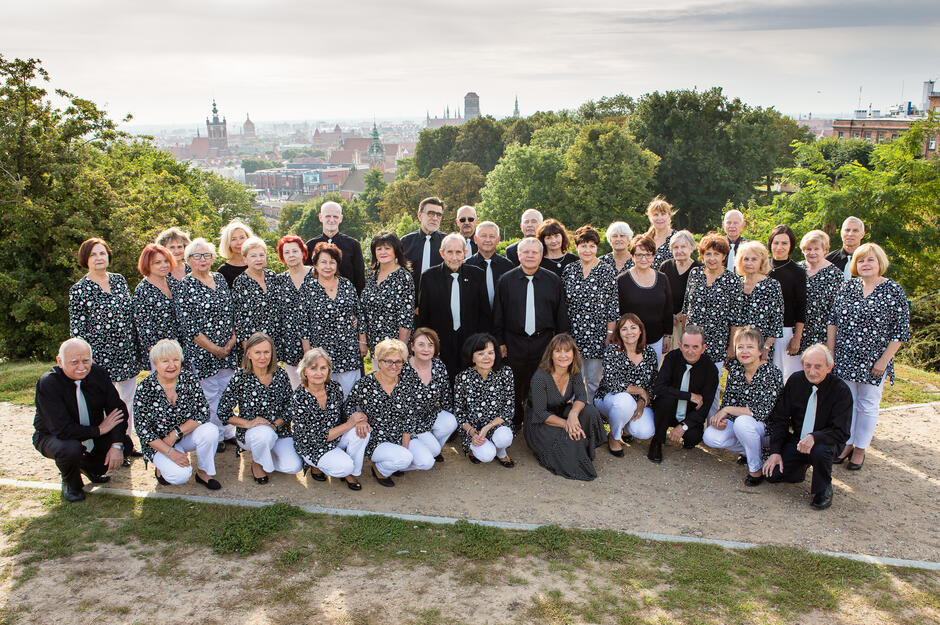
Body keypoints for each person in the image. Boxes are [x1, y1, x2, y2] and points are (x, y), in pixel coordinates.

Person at [827, 243, 910, 470]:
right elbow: (833, 322)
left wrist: (884, 360)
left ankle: (861, 448)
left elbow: (900, 331)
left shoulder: (893, 290)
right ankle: (848, 443)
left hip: (874, 360)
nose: (865, 264)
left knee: (868, 404)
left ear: (879, 263)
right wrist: (831, 352)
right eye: (861, 260)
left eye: (870, 260)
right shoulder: (847, 287)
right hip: (845, 356)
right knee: (847, 403)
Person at [69, 237, 139, 458]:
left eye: (102, 253)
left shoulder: (119, 281)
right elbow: (77, 331)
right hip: (99, 357)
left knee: (126, 401)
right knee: (102, 405)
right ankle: (106, 448)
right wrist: (85, 361)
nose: (98, 258)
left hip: (126, 352)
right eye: (93, 255)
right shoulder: (79, 290)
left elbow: (130, 317)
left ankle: (125, 444)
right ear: (85, 259)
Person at [33, 338, 128, 502]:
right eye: (74, 362)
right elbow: (62, 430)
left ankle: (88, 467)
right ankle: (71, 482)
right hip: (53, 437)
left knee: (124, 444)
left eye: (86, 360)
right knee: (70, 449)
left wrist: (117, 445)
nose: (82, 367)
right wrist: (99, 430)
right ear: (60, 361)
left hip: (91, 431)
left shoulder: (99, 374)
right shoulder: (48, 383)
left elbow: (118, 410)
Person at [763, 344, 852, 510]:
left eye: (818, 366)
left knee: (819, 451)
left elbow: (842, 432)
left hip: (826, 443)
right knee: (773, 475)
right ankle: (800, 467)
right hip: (798, 439)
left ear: (829, 367)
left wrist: (815, 437)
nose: (812, 371)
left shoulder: (841, 391)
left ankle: (823, 488)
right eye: (807, 366)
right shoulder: (795, 381)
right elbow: (780, 417)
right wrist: (775, 451)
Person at [492, 237, 569, 426]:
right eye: (525, 252)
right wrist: (500, 342)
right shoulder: (506, 280)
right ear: (518, 254)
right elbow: (498, 314)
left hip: (544, 342)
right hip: (513, 342)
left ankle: (539, 419)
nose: (530, 256)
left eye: (534, 252)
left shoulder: (553, 281)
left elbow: (560, 314)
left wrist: (561, 344)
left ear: (541, 255)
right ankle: (516, 419)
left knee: (541, 383)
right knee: (514, 384)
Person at [343, 339, 434, 486]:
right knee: (404, 458)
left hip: (401, 434)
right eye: (388, 361)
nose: (394, 366)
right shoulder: (365, 384)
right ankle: (379, 469)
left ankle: (387, 466)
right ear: (379, 361)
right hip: (377, 438)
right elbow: (349, 406)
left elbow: (409, 418)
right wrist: (360, 420)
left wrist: (404, 448)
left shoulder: (406, 385)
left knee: (427, 462)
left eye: (398, 362)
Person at [133, 339, 222, 489]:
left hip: (183, 436)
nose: (172, 365)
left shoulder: (189, 379)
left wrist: (176, 433)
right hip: (160, 443)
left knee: (210, 431)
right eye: (165, 361)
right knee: (180, 476)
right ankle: (160, 470)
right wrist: (170, 452)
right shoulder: (145, 388)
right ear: (155, 364)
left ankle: (203, 473)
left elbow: (203, 412)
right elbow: (144, 431)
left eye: (175, 360)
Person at [176, 238, 239, 445]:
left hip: (227, 349)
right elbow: (189, 327)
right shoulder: (185, 286)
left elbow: (231, 311)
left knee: (227, 391)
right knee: (209, 395)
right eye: (196, 256)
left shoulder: (220, 279)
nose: (202, 260)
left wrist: (231, 342)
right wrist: (214, 349)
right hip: (203, 352)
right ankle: (215, 436)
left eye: (206, 255)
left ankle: (227, 431)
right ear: (188, 260)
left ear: (212, 258)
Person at [702, 328, 784, 485]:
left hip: (767, 429)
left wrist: (727, 410)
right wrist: (722, 418)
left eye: (750, 347)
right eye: (740, 347)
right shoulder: (736, 370)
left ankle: (755, 470)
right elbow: (728, 402)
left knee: (742, 423)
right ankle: (756, 452)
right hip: (745, 427)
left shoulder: (771, 372)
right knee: (710, 437)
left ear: (760, 350)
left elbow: (761, 411)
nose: (744, 351)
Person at [218, 333, 302, 484]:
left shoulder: (280, 374)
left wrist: (276, 424)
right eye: (257, 352)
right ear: (249, 354)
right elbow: (223, 412)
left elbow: (290, 406)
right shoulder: (240, 377)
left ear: (272, 353)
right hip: (253, 433)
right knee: (264, 435)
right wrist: (248, 423)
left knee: (293, 467)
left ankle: (265, 456)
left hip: (279, 430)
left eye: (266, 352)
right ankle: (257, 463)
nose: (262, 357)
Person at [525, 334, 606, 480]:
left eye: (567, 351)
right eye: (558, 351)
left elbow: (581, 396)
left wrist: (573, 414)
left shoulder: (574, 370)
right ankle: (569, 449)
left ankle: (583, 449)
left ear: (573, 354)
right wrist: (567, 424)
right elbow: (541, 413)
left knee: (590, 412)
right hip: (540, 421)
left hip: (562, 411)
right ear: (551, 354)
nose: (563, 356)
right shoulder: (540, 377)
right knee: (570, 438)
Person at [682, 232, 743, 415]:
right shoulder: (695, 274)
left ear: (724, 256)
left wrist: (732, 346)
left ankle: (711, 423)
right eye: (708, 253)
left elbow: (736, 317)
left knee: (712, 385)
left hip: (717, 341)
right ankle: (690, 423)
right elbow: (686, 307)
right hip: (692, 341)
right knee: (690, 382)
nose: (712, 258)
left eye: (716, 254)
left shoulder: (732, 280)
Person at [290, 348, 366, 490]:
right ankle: (317, 465)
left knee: (364, 431)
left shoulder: (334, 387)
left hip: (335, 435)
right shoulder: (299, 398)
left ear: (329, 370)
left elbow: (344, 411)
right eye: (313, 368)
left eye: (323, 368)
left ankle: (350, 471)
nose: (319, 373)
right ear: (305, 371)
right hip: (313, 446)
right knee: (344, 466)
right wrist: (350, 423)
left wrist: (359, 419)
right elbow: (318, 437)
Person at [417, 233, 491, 380]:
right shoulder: (429, 277)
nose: (454, 257)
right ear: (441, 253)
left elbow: (484, 313)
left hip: (470, 342)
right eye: (449, 252)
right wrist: (428, 343)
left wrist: (482, 342)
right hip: (440, 343)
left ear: (465, 253)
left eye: (458, 252)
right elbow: (424, 316)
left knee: (469, 382)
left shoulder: (477, 275)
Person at [562, 225, 619, 401]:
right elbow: (563, 303)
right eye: (583, 245)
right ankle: (572, 417)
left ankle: (591, 417)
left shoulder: (607, 270)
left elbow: (612, 305)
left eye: (592, 246)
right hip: (574, 334)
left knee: (593, 380)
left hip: (598, 334)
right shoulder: (569, 270)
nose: (587, 250)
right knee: (573, 378)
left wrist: (610, 333)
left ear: (597, 247)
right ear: (576, 246)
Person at [647, 325, 719, 463]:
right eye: (686, 346)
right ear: (680, 345)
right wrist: (689, 395)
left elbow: (705, 407)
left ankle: (685, 434)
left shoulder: (710, 370)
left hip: (690, 415)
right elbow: (658, 388)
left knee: (693, 437)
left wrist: (684, 426)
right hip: (668, 411)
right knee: (665, 400)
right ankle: (657, 441)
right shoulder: (671, 358)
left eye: (695, 347)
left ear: (703, 348)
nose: (690, 351)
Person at [594, 314, 658, 455]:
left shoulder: (650, 353)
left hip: (636, 403)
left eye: (633, 328)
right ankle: (614, 436)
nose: (629, 332)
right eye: (624, 329)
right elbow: (614, 384)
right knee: (624, 401)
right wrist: (640, 390)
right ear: (619, 333)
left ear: (640, 330)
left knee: (645, 431)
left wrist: (642, 402)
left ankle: (626, 428)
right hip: (610, 399)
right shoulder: (612, 351)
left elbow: (653, 384)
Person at [307, 242, 363, 397]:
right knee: (325, 395)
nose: (328, 266)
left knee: (350, 394)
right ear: (316, 264)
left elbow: (359, 314)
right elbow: (302, 324)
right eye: (323, 262)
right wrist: (307, 353)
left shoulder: (346, 285)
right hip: (321, 352)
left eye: (332, 262)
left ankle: (352, 421)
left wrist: (362, 341)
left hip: (348, 350)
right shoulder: (308, 288)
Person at [454, 333, 516, 466]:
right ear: (472, 356)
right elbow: (459, 412)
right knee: (487, 455)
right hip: (473, 429)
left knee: (504, 438)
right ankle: (474, 449)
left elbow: (509, 409)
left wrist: (488, 427)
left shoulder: (505, 373)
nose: (487, 357)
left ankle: (501, 452)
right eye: (481, 353)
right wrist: (472, 433)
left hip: (497, 425)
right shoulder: (462, 378)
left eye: (490, 352)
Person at [617, 235, 673, 363]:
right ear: (632, 256)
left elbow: (668, 309)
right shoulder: (622, 280)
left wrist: (667, 335)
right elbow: (617, 312)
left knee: (653, 378)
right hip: (629, 341)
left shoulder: (662, 278)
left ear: (653, 256)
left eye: (648, 254)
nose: (644, 259)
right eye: (639, 255)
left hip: (656, 339)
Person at [407, 328, 459, 463]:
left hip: (428, 415)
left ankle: (431, 447)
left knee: (450, 421)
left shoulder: (438, 366)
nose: (426, 349)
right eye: (421, 344)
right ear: (412, 346)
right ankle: (408, 455)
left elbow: (446, 396)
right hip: (407, 420)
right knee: (431, 453)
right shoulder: (402, 367)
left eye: (430, 345)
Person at [359, 231, 414, 354]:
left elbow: (405, 318)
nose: (383, 252)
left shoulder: (403, 277)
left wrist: (400, 349)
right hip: (375, 346)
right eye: (379, 249)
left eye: (387, 248)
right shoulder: (372, 275)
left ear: (396, 251)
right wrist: (363, 340)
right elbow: (363, 309)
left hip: (394, 347)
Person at [733, 241, 783, 364]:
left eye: (754, 259)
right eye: (746, 259)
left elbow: (777, 320)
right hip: (739, 347)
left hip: (761, 347)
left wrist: (766, 347)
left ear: (762, 262)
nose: (749, 263)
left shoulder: (772, 285)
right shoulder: (735, 284)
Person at [275, 235, 315, 389]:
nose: (291, 255)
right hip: (290, 341)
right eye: (287, 252)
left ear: (302, 252)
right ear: (282, 256)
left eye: (294, 251)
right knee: (297, 386)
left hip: (317, 338)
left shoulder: (316, 275)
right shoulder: (279, 281)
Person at [767, 225, 807, 380]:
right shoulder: (763, 267)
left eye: (784, 243)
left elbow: (801, 307)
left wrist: (797, 337)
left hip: (785, 331)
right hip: (762, 331)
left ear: (791, 246)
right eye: (776, 243)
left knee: (786, 377)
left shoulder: (797, 272)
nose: (779, 247)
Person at [133, 243, 180, 370]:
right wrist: (160, 355)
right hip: (159, 354)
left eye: (166, 261)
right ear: (147, 264)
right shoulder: (142, 291)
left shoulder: (173, 283)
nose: (164, 265)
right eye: (157, 262)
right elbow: (144, 328)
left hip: (180, 349)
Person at [798, 230, 846, 354]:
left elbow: (836, 311)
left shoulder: (835, 275)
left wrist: (830, 342)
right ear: (803, 250)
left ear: (825, 250)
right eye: (808, 249)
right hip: (795, 334)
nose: (812, 252)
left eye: (816, 249)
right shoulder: (796, 270)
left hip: (821, 334)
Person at [304, 200, 366, 293]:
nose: (332, 220)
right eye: (328, 216)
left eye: (335, 217)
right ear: (321, 217)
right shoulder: (310, 246)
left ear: (340, 218)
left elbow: (359, 279)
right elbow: (306, 278)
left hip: (347, 300)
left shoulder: (353, 245)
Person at [231, 236, 281, 351]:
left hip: (274, 340)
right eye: (253, 256)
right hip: (254, 343)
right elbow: (240, 320)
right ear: (245, 259)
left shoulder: (271, 276)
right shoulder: (240, 282)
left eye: (261, 255)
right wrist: (247, 349)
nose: (258, 259)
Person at [658, 230, 702, 348]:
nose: (679, 251)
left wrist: (681, 314)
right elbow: (659, 294)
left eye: (683, 246)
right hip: (666, 322)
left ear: (691, 248)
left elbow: (700, 298)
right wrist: (669, 315)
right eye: (676, 247)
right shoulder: (665, 266)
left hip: (688, 322)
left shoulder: (699, 269)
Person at [465, 220, 513, 311]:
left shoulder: (508, 266)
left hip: (502, 321)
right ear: (475, 239)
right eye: (483, 236)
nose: (487, 240)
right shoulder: (465, 266)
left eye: (492, 236)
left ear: (498, 240)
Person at [400, 196, 445, 290]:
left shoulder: (447, 242)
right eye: (431, 213)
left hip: (439, 299)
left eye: (439, 215)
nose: (435, 218)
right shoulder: (405, 242)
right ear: (420, 215)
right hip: (410, 298)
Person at [217, 219, 254, 288]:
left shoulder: (256, 264)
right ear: (228, 243)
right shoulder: (223, 272)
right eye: (233, 239)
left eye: (242, 237)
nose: (239, 242)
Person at [644, 196, 677, 269]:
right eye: (656, 215)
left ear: (669, 217)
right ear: (650, 218)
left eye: (663, 214)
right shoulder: (644, 239)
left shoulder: (677, 238)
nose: (659, 218)